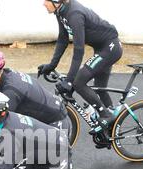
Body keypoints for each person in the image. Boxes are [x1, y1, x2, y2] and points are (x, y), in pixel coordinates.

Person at [38, 0, 123, 129]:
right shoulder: (60, 11)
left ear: (56, 1)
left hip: (110, 48)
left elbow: (79, 50)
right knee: (100, 88)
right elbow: (62, 39)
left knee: (79, 82)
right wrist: (51, 65)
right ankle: (111, 127)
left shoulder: (74, 14)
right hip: (102, 48)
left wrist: (69, 80)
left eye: (46, 0)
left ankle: (105, 115)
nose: (43, 4)